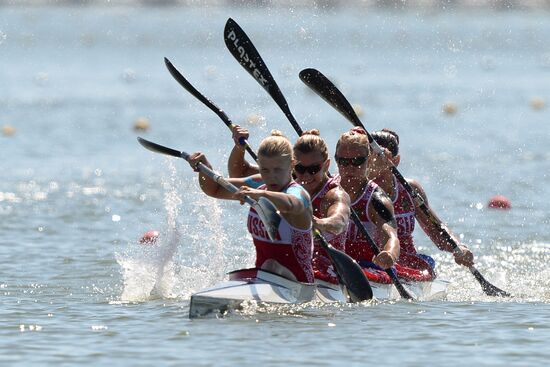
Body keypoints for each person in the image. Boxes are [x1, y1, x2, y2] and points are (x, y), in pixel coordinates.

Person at [227, 126, 351, 284]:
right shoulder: (280, 178)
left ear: (326, 165)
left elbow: (339, 222)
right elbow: (238, 173)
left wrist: (319, 223)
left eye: (313, 169)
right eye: (300, 168)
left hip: (327, 270)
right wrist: (239, 147)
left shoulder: (334, 194)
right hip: (286, 269)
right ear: (293, 165)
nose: (305, 175)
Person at [188, 130, 314, 283]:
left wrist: (260, 195)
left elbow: (291, 204)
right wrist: (204, 168)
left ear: (292, 164)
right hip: (262, 280)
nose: (271, 176)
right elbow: (214, 189)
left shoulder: (297, 193)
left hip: (298, 285)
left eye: (278, 170)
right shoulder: (258, 184)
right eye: (265, 170)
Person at [367, 128, 474, 278]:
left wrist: (458, 247)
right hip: (370, 261)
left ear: (396, 161)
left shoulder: (410, 189)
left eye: (381, 157)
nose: (374, 162)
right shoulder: (356, 187)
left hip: (407, 263)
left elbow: (437, 232)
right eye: (370, 157)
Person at [334, 127, 401, 282]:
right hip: (332, 262)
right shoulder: (327, 189)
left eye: (357, 161)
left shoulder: (377, 199)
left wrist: (389, 254)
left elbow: (392, 237)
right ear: (335, 160)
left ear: (369, 160)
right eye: (343, 161)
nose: (350, 167)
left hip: (365, 267)